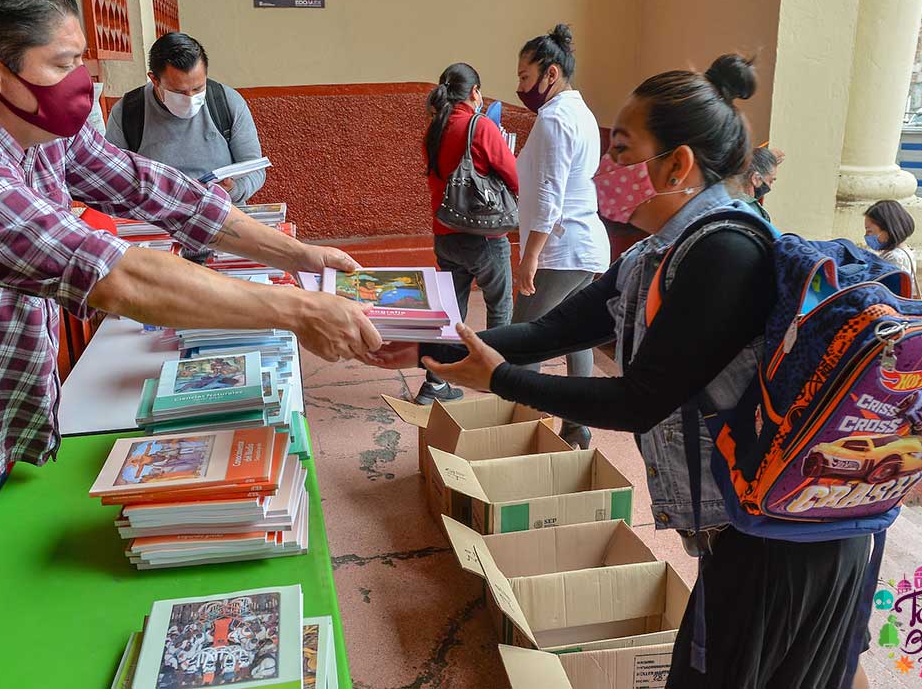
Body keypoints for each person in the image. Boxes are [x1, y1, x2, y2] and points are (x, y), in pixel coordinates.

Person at [0, 0, 380, 639]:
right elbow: (118, 276)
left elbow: (153, 189)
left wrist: (298, 255)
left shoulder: (35, 125)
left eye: (81, 58)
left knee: (14, 618)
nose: (81, 81)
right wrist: (299, 311)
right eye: (62, 63)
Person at [364, 54, 874, 688]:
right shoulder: (658, 252)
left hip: (785, 544)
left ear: (677, 165)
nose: (605, 170)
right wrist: (428, 347)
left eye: (623, 150)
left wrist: (497, 379)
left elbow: (638, 402)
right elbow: (554, 331)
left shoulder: (725, 254)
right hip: (744, 529)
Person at [511, 24, 610, 449]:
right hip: (584, 245)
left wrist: (530, 256)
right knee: (575, 336)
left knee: (520, 341)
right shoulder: (581, 112)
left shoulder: (553, 118)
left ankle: (518, 431)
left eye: (525, 76)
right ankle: (575, 427)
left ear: (550, 73)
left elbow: (550, 194)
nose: (520, 87)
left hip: (560, 247)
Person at [417, 63, 518, 404]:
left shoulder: (434, 130)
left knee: (451, 310)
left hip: (445, 234)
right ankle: (494, 378)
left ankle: (435, 383)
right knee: (499, 305)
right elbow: (513, 176)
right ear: (475, 91)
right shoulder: (481, 126)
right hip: (484, 236)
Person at [106, 32, 266, 205]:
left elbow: (255, 169)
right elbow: (112, 176)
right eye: (179, 91)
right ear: (154, 79)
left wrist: (233, 190)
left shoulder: (226, 102)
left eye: (198, 88)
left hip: (223, 211)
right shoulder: (128, 111)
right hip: (157, 216)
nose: (190, 98)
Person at [864, 199, 920, 296]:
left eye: (869, 231)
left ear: (887, 230)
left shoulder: (895, 258)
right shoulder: (904, 251)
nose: (866, 236)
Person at [727, 145, 778, 221]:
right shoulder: (751, 210)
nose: (769, 187)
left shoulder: (723, 201)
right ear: (755, 178)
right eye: (771, 181)